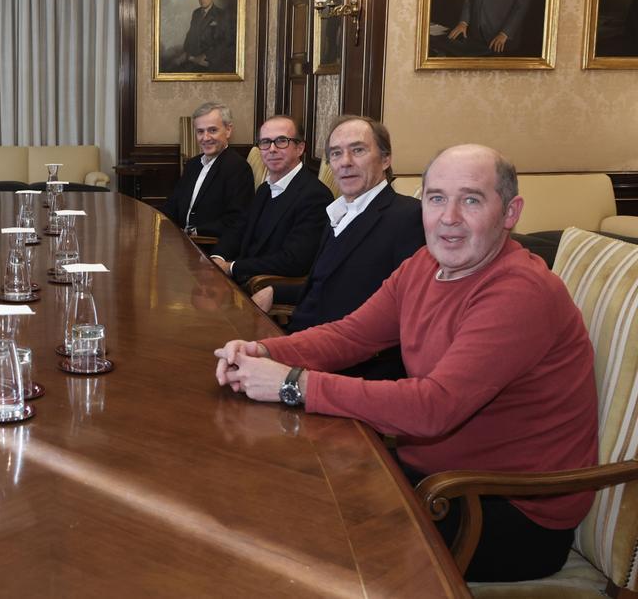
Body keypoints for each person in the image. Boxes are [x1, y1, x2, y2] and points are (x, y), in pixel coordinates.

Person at [214, 144, 598, 582]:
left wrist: (292, 384)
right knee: (279, 488)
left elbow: (433, 408)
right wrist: (265, 350)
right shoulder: (424, 265)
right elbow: (351, 334)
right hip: (432, 477)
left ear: (510, 213)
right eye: (435, 198)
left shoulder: (520, 292)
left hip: (504, 509)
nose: (448, 217)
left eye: (471, 199)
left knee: (302, 535)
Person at [253, 115, 424, 380]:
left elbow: (399, 315)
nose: (345, 162)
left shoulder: (408, 217)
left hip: (343, 367)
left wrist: (292, 364)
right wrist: (276, 289)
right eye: (336, 153)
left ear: (386, 159)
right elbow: (328, 283)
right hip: (301, 343)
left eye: (358, 150)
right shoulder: (340, 211)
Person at [209, 115, 331, 285]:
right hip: (241, 278)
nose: (272, 149)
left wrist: (231, 267)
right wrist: (217, 257)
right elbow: (240, 228)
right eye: (265, 142)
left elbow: (294, 261)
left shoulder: (315, 196)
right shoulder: (265, 188)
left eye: (281, 141)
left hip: (264, 285)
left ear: (300, 148)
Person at [161, 101, 254, 238]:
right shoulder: (193, 164)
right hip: (180, 240)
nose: (205, 138)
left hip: (207, 246)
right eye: (200, 131)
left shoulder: (238, 168)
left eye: (212, 130)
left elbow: (236, 221)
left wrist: (193, 232)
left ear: (228, 130)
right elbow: (172, 204)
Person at [170, 0, 235, 73]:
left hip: (210, 61)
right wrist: (186, 54)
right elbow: (190, 36)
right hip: (192, 59)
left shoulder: (221, 15)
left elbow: (225, 41)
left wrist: (206, 56)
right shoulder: (196, 13)